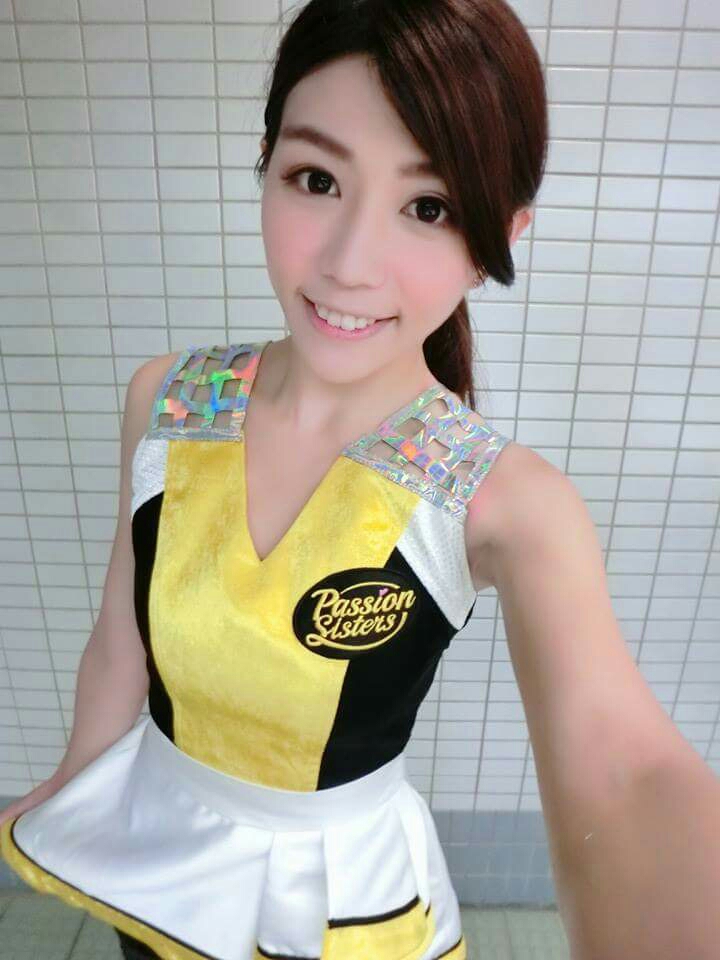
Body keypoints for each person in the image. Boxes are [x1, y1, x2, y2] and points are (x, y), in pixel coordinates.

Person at [2, 2, 719, 960]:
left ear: (501, 234)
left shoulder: (503, 501)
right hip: (158, 868)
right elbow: (119, 645)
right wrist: (74, 790)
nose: (348, 265)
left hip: (343, 912)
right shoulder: (167, 401)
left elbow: (624, 772)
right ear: (266, 163)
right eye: (317, 180)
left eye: (429, 207)